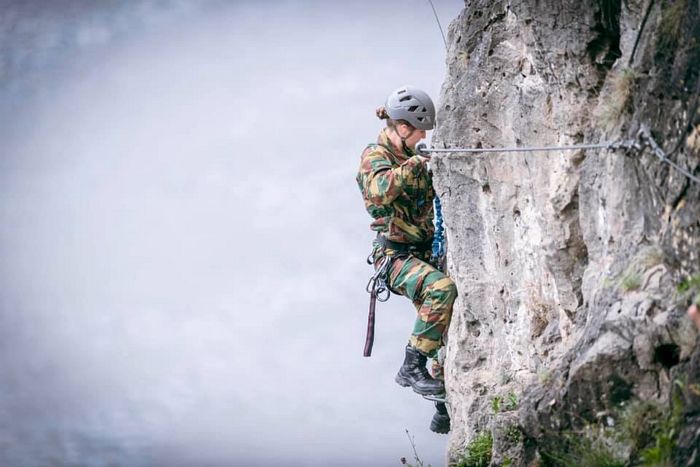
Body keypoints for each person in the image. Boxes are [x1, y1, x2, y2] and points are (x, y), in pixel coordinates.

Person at [356, 85, 457, 434]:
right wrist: (419, 162)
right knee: (441, 290)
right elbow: (379, 190)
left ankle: (443, 406)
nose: (423, 137)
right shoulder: (374, 155)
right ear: (402, 128)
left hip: (423, 251)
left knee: (442, 323)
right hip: (395, 256)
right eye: (419, 131)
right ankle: (410, 367)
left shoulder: (411, 153)